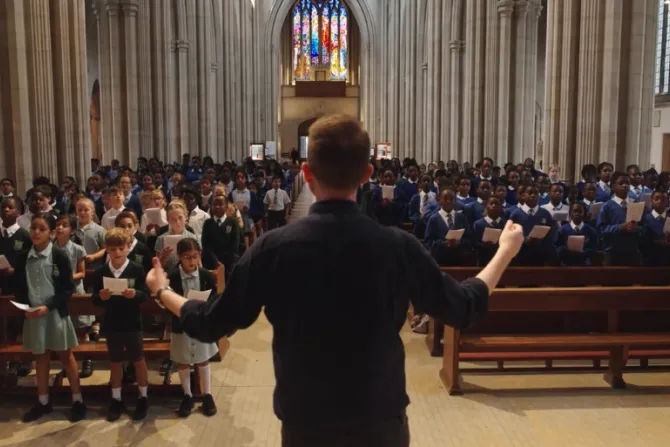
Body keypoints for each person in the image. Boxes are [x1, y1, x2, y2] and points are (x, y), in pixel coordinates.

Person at [146, 115, 524, 447]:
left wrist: (162, 290)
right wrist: (504, 251)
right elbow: (464, 306)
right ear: (367, 174)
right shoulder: (397, 246)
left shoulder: (272, 248)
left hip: (307, 423)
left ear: (307, 175)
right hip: (379, 422)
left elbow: (211, 321)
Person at [14, 214, 86, 422]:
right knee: (41, 358)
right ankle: (43, 401)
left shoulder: (58, 255)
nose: (36, 232)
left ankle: (77, 400)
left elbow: (67, 289)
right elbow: (19, 286)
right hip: (34, 315)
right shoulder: (24, 256)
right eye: (33, 228)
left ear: (50, 232)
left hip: (55, 314)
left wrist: (48, 306)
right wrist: (26, 306)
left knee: (66, 356)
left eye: (41, 229)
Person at [92, 228, 150, 421]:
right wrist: (100, 296)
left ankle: (143, 397)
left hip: (132, 322)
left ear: (127, 248)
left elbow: (145, 295)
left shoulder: (136, 269)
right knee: (115, 362)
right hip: (112, 322)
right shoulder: (101, 271)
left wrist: (136, 294)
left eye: (120, 248)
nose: (117, 252)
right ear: (107, 249)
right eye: (112, 249)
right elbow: (95, 299)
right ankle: (116, 399)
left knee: (138, 360)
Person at [169, 239, 218, 418]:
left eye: (195, 256)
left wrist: (207, 304)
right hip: (180, 323)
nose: (191, 261)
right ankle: (187, 395)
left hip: (201, 322)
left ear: (200, 255)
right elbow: (165, 298)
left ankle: (207, 395)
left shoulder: (205, 275)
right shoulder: (173, 276)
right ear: (179, 257)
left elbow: (215, 296)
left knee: (202, 359)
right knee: (182, 360)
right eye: (186, 257)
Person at [597, 172, 643, 266]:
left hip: (632, 252)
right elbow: (602, 229)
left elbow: (644, 227)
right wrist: (621, 227)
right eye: (621, 183)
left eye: (627, 183)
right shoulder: (607, 206)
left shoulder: (636, 204)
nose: (625, 186)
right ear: (613, 187)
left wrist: (636, 228)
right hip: (612, 253)